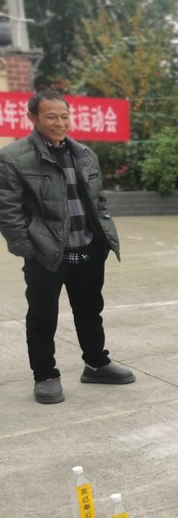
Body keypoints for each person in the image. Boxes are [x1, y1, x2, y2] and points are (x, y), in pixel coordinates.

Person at [0, 90, 135, 403]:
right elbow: (8, 211)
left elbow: (97, 200)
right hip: (46, 254)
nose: (59, 123)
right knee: (42, 316)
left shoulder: (84, 153)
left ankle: (96, 364)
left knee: (90, 311)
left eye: (64, 116)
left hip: (88, 248)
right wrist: (27, 249)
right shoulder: (14, 157)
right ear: (33, 118)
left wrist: (102, 238)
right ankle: (45, 374)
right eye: (51, 116)